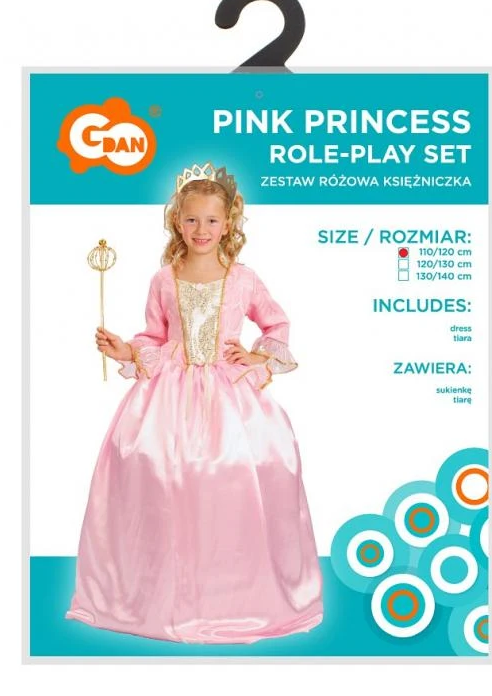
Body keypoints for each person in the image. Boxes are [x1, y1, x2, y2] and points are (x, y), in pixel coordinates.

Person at [65, 162, 324, 644]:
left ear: (228, 224)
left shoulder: (243, 278)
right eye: (191, 219)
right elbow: (153, 336)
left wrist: (257, 356)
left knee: (230, 480)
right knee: (165, 478)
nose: (201, 229)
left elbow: (276, 323)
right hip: (168, 395)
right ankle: (165, 592)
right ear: (177, 222)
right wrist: (125, 350)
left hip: (228, 399)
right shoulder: (164, 278)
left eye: (211, 220)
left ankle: (232, 593)